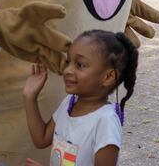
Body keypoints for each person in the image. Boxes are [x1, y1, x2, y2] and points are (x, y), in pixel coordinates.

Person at [22, 30, 138, 166]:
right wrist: (29, 97)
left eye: (80, 65)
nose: (67, 70)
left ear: (108, 77)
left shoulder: (105, 122)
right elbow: (41, 139)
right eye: (68, 62)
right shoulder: (69, 102)